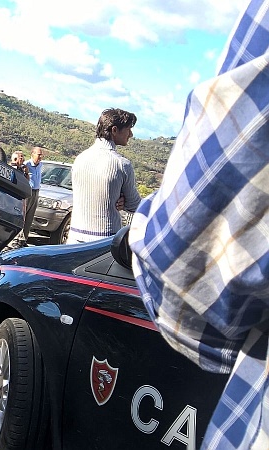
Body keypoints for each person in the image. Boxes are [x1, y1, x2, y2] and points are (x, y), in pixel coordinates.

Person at [129, 0, 268, 447]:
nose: (131, 137)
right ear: (117, 132)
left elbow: (185, 258)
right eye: (129, 131)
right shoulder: (121, 168)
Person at [66, 108, 140, 244]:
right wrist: (123, 200)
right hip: (104, 241)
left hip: (74, 237)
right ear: (114, 130)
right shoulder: (122, 164)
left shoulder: (80, 158)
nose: (131, 134)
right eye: (128, 129)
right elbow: (135, 205)